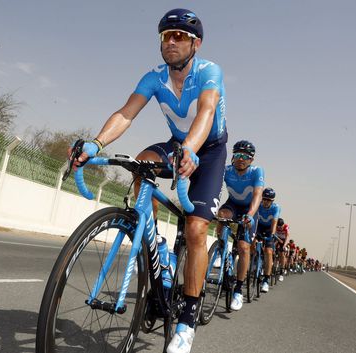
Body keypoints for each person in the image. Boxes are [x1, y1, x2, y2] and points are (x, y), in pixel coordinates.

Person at [72, 8, 227, 353]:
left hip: (210, 150)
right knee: (142, 164)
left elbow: (205, 112)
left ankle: (187, 319)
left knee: (197, 229)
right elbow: (126, 113)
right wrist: (95, 143)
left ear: (195, 43)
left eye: (180, 36)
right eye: (166, 36)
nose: (171, 41)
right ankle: (155, 245)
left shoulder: (208, 72)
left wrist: (190, 149)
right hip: (177, 146)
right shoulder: (154, 78)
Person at [216, 140, 264, 311]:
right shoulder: (227, 170)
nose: (240, 159)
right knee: (221, 216)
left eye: (245, 156)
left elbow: (258, 194)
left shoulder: (256, 171)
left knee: (243, 247)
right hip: (232, 205)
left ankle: (238, 291)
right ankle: (220, 251)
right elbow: (214, 184)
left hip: (249, 209)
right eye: (237, 155)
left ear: (251, 159)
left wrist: (250, 215)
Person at [256, 187, 281, 293]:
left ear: (272, 201)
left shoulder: (276, 208)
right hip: (259, 226)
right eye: (264, 199)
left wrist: (271, 235)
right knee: (250, 242)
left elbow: (274, 222)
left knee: (268, 251)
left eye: (269, 200)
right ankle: (254, 259)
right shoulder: (258, 204)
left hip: (269, 228)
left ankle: (266, 280)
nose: (266, 202)